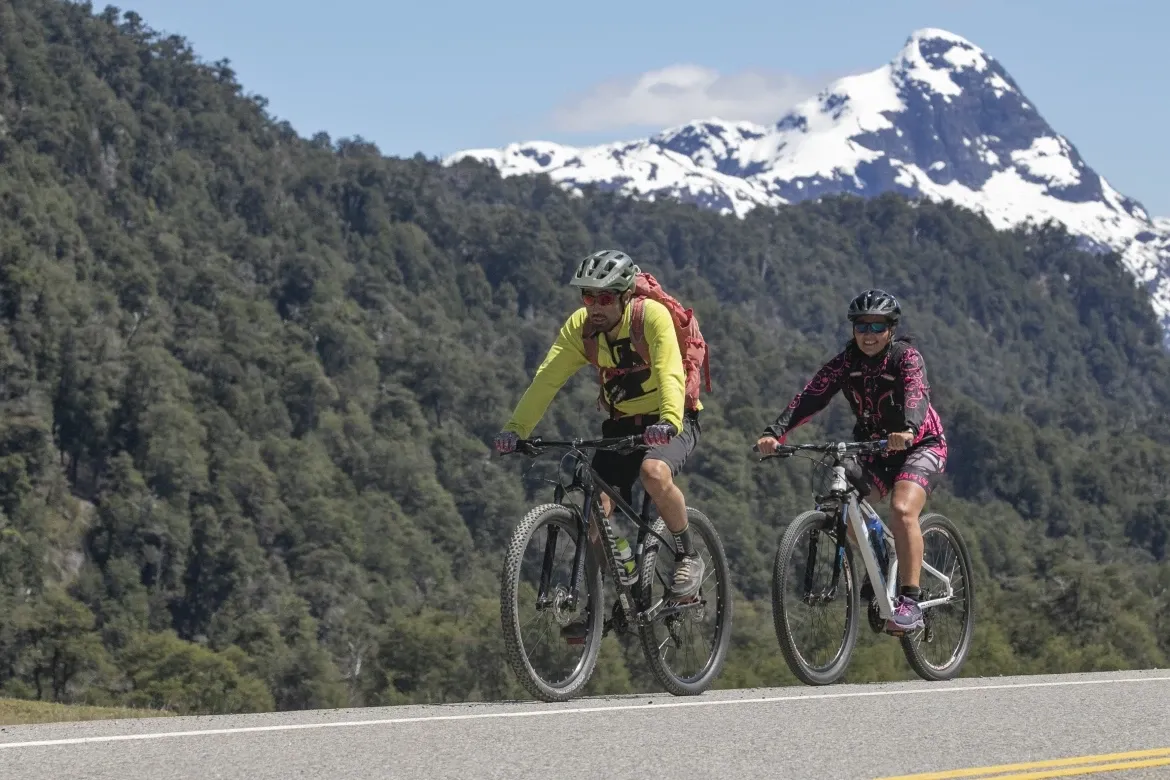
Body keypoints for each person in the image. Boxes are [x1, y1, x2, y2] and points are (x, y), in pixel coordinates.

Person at [493, 250, 705, 628]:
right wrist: (516, 430)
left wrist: (670, 420)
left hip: (671, 419)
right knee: (594, 507)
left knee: (654, 473)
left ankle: (688, 554)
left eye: (605, 298)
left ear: (625, 296)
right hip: (621, 425)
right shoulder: (582, 329)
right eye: (588, 297)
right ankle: (606, 595)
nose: (595, 307)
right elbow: (547, 379)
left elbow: (670, 370)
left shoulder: (649, 317)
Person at [755, 289, 947, 634]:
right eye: (861, 326)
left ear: (891, 328)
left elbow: (917, 393)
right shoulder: (845, 364)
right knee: (841, 505)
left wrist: (907, 428)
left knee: (903, 510)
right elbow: (811, 397)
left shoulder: (906, 358)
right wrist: (775, 433)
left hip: (921, 445)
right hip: (874, 448)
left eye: (876, 326)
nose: (868, 335)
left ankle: (911, 601)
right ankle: (880, 558)